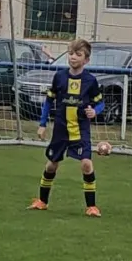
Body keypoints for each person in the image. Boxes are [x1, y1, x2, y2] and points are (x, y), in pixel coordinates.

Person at [30, 38, 104, 217]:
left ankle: (92, 207)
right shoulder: (60, 77)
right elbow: (49, 101)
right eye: (71, 54)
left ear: (86, 60)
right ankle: (42, 201)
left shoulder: (90, 81)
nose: (73, 57)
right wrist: (42, 124)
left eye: (78, 54)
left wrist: (94, 111)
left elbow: (100, 103)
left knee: (86, 164)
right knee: (51, 166)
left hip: (80, 130)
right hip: (60, 130)